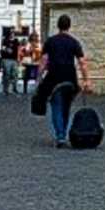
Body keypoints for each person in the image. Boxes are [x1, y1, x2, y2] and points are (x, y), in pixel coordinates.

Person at [39, 14, 91, 148]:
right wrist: (86, 80)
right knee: (66, 107)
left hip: (54, 79)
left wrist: (39, 76)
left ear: (58, 26)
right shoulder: (74, 42)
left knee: (56, 106)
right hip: (70, 79)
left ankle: (60, 136)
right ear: (69, 26)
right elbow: (82, 62)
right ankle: (64, 132)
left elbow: (44, 61)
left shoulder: (50, 41)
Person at [0, 30, 21, 96]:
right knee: (7, 74)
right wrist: (7, 49)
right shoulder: (5, 40)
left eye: (13, 34)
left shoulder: (16, 41)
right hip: (6, 59)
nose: (12, 35)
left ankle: (14, 88)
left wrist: (18, 58)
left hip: (14, 59)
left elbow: (18, 49)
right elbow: (2, 48)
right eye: (11, 34)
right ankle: (6, 89)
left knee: (15, 74)